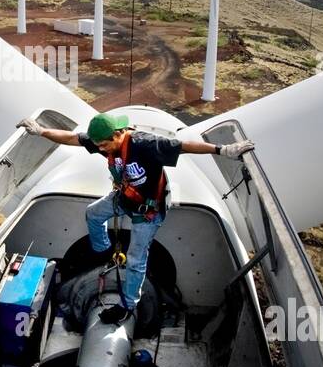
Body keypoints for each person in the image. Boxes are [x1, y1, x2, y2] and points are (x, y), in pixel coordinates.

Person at [17, 112, 253, 322]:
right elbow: (71, 138)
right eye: (97, 145)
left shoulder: (145, 144)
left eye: (103, 145)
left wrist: (223, 150)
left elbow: (184, 146)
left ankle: (128, 306)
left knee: (136, 259)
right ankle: (104, 251)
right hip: (124, 198)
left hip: (148, 211)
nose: (100, 149)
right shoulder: (103, 140)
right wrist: (40, 131)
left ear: (118, 134)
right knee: (94, 213)